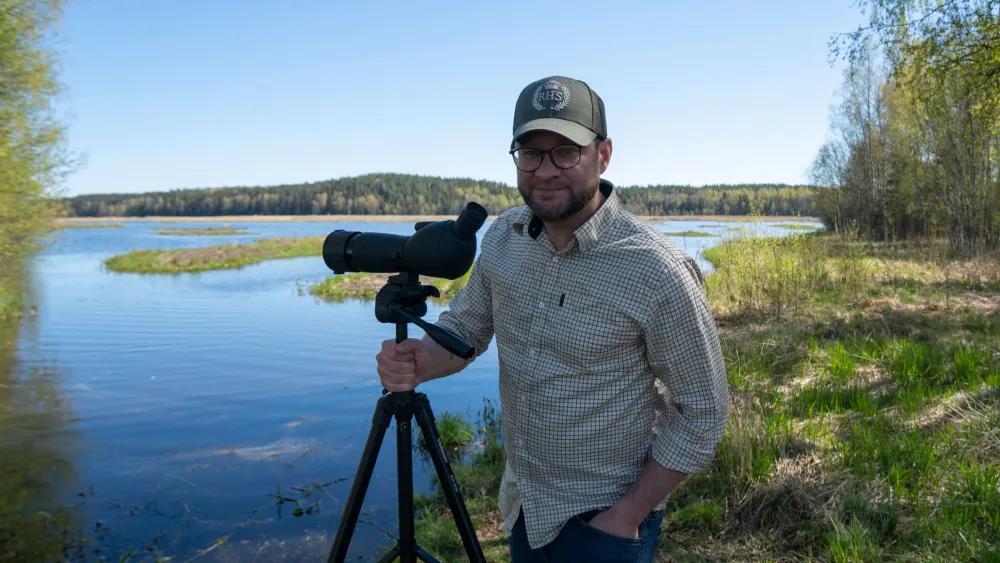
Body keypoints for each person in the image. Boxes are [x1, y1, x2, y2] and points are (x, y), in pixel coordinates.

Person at [376, 75, 731, 562]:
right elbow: (466, 329)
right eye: (531, 153)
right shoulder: (504, 238)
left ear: (602, 155)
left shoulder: (657, 270)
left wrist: (625, 516)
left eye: (566, 151)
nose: (546, 170)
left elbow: (703, 411)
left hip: (605, 524)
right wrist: (421, 360)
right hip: (524, 507)